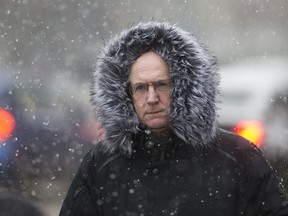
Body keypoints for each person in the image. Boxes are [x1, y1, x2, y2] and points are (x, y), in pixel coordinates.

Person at [59, 21, 288, 216]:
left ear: (183, 87)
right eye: (140, 88)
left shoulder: (238, 157)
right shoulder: (101, 165)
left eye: (161, 84)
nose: (151, 97)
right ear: (125, 95)